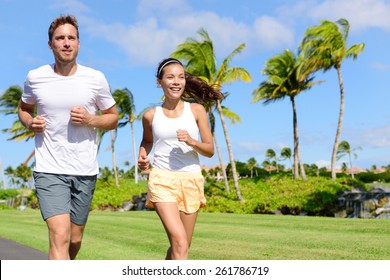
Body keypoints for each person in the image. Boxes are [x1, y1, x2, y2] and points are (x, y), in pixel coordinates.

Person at [18, 15, 118, 260]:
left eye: (71, 38)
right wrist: (31, 122)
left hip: (84, 169)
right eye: (60, 38)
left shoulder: (95, 79)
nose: (66, 43)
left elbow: (113, 117)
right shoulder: (35, 77)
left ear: (79, 44)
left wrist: (90, 120)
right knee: (60, 234)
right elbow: (23, 108)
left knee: (74, 239)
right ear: (50, 44)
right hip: (49, 168)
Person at [138, 58, 223, 260]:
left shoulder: (197, 111)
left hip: (190, 180)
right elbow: (147, 141)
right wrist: (143, 155)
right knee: (180, 242)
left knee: (181, 247)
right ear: (160, 82)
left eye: (181, 77)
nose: (176, 81)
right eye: (170, 77)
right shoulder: (150, 115)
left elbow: (209, 150)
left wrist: (192, 141)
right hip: (162, 180)